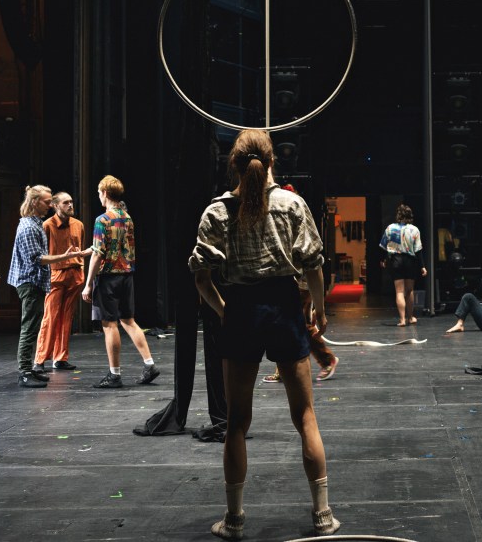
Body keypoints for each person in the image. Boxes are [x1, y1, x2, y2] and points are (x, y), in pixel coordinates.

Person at [189, 129, 339, 539]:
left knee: (236, 422)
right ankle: (323, 516)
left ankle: (234, 521)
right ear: (273, 161)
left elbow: (201, 277)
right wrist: (319, 310)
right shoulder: (292, 204)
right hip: (283, 309)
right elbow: (312, 264)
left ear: (233, 164)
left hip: (241, 309)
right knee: (305, 416)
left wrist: (225, 311)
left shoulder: (216, 211)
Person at [81, 175, 159, 389]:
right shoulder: (127, 217)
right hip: (126, 275)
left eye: (99, 193)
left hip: (108, 277)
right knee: (129, 321)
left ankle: (114, 374)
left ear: (105, 193)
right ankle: (149, 364)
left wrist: (88, 284)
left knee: (109, 324)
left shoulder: (102, 220)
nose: (99, 196)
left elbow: (98, 254)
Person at [6, 185, 82, 388]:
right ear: (34, 202)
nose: (50, 205)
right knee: (29, 328)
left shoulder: (35, 223)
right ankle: (24, 372)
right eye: (47, 202)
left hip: (37, 281)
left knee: (34, 325)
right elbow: (36, 258)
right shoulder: (30, 227)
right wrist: (65, 257)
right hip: (30, 282)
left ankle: (30, 369)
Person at [263, 183, 339, 384]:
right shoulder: (289, 213)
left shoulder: (292, 213)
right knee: (283, 325)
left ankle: (327, 360)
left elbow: (310, 258)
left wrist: (319, 308)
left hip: (300, 281)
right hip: (292, 280)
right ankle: (284, 369)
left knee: (302, 326)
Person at [34, 191, 91, 372]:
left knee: (67, 318)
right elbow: (43, 255)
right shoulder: (47, 226)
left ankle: (60, 358)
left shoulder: (78, 225)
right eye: (66, 203)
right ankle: (40, 359)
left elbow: (80, 249)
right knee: (50, 317)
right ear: (56, 206)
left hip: (74, 275)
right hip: (56, 275)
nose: (70, 205)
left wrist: (80, 268)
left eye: (71, 202)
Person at [379, 203, 427, 326]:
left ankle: (402, 320)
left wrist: (383, 260)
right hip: (410, 261)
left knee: (399, 292)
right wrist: (422, 266)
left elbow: (384, 246)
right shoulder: (414, 229)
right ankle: (410, 317)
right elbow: (418, 250)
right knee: (410, 291)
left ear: (398, 215)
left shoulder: (390, 228)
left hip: (396, 260)